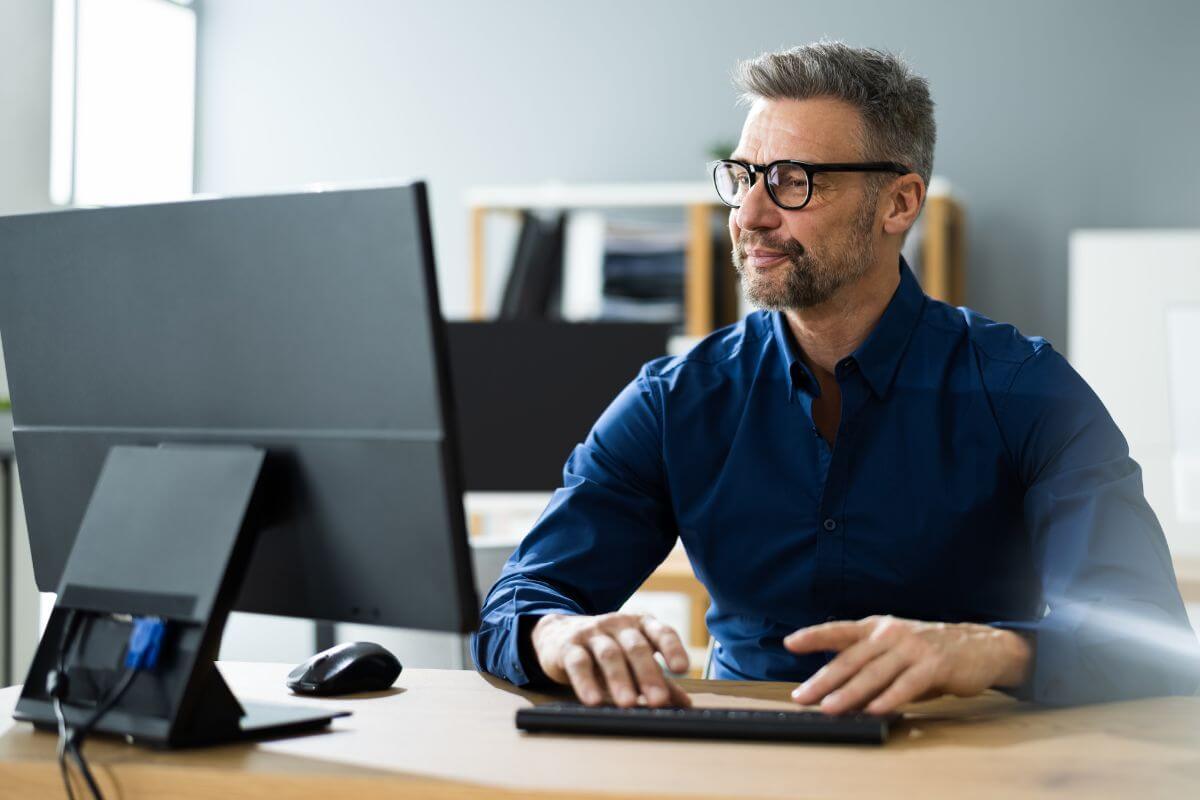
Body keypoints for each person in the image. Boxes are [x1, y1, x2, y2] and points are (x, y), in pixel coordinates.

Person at [470, 42, 1199, 715]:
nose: (750, 215)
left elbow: (1150, 641)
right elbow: (517, 605)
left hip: (963, 766)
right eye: (743, 177)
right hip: (739, 767)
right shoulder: (674, 400)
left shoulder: (1027, 391)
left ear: (900, 203)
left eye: (793, 182)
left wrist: (987, 649)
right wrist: (558, 635)